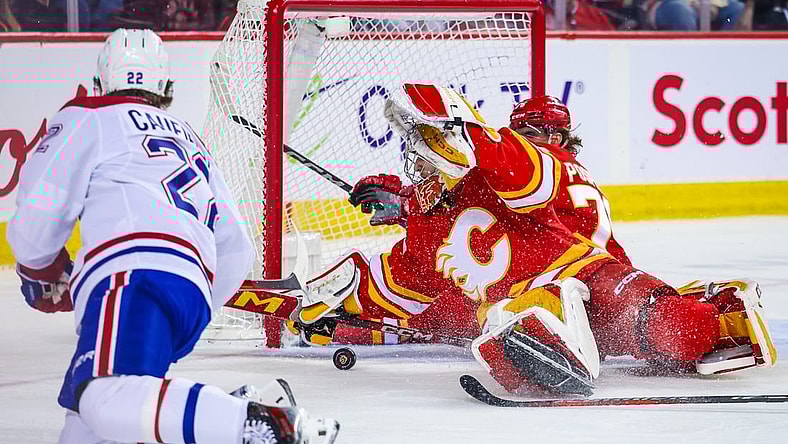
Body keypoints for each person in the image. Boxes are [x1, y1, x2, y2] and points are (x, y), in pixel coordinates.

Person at [291, 83, 776, 396]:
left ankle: (719, 310)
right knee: (460, 319)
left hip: (587, 270)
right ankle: (558, 334)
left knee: (679, 331)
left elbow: (514, 174)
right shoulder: (456, 200)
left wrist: (468, 135)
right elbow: (401, 277)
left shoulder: (528, 164)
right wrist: (407, 207)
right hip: (537, 285)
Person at [7, 28, 338, 444]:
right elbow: (236, 246)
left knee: (106, 398)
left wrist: (42, 271)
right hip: (192, 292)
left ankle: (255, 422)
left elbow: (36, 222)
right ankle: (228, 412)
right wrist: (189, 296)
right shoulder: (188, 138)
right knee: (87, 429)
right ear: (165, 87)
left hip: (131, 277)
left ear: (99, 82)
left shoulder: (86, 115)